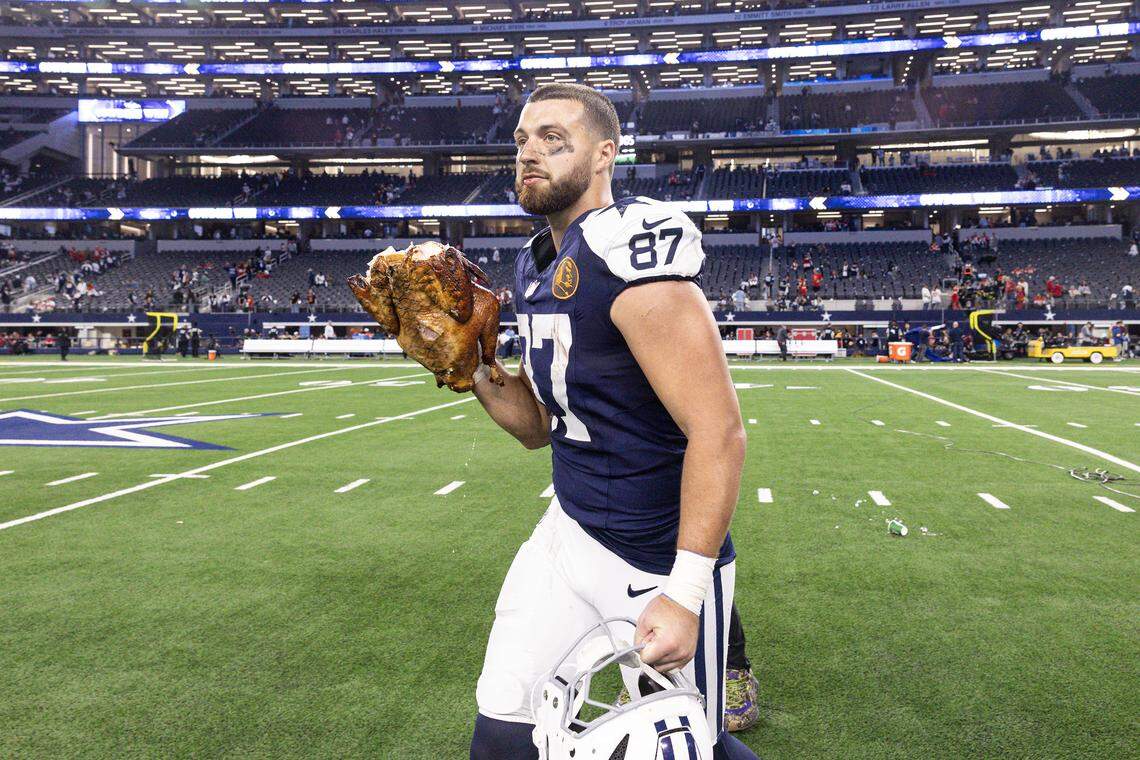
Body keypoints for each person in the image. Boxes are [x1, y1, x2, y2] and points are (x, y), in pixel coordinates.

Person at [468, 83, 758, 760]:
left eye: (552, 138)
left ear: (604, 156)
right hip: (570, 529)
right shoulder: (534, 261)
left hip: (653, 556)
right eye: (521, 140)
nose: (529, 153)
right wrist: (471, 366)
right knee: (504, 729)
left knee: (688, 748)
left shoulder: (633, 253)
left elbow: (719, 433)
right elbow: (539, 425)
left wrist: (685, 593)